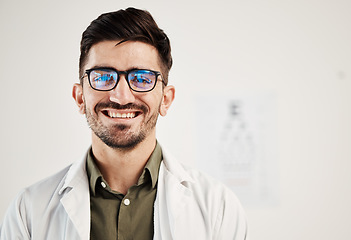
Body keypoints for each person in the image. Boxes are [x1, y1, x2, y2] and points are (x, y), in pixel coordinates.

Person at [0, 7, 248, 240]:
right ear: (79, 97)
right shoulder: (28, 212)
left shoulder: (218, 208)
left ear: (166, 99)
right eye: (104, 77)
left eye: (141, 78)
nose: (121, 97)